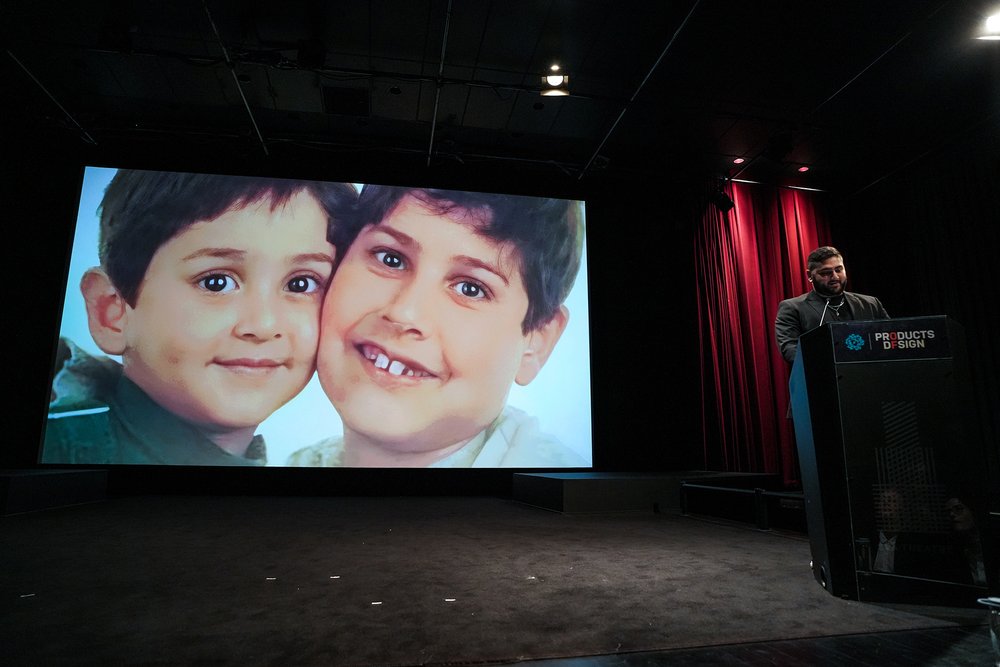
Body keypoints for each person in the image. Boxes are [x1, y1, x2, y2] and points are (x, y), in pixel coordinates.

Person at [42, 170, 357, 465]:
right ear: (110, 311)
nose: (263, 326)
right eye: (216, 282)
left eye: (300, 284)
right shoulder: (58, 448)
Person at [287, 185, 586, 467]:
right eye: (390, 259)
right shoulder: (299, 463)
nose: (405, 313)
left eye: (471, 288)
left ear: (537, 341)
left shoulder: (559, 500)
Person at [774, 245, 889, 364]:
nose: (835, 277)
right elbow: (790, 350)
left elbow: (889, 338)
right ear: (809, 276)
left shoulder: (870, 304)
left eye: (839, 270)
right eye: (826, 273)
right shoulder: (793, 308)